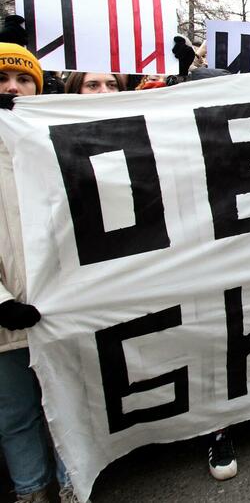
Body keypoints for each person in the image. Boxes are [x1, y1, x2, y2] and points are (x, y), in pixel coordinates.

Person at [0, 43, 82, 503]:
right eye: (3, 80)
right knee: (16, 414)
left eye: (24, 79)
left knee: (69, 403)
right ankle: (31, 489)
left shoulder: (53, 140)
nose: (13, 88)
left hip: (58, 306)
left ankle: (72, 481)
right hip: (6, 316)